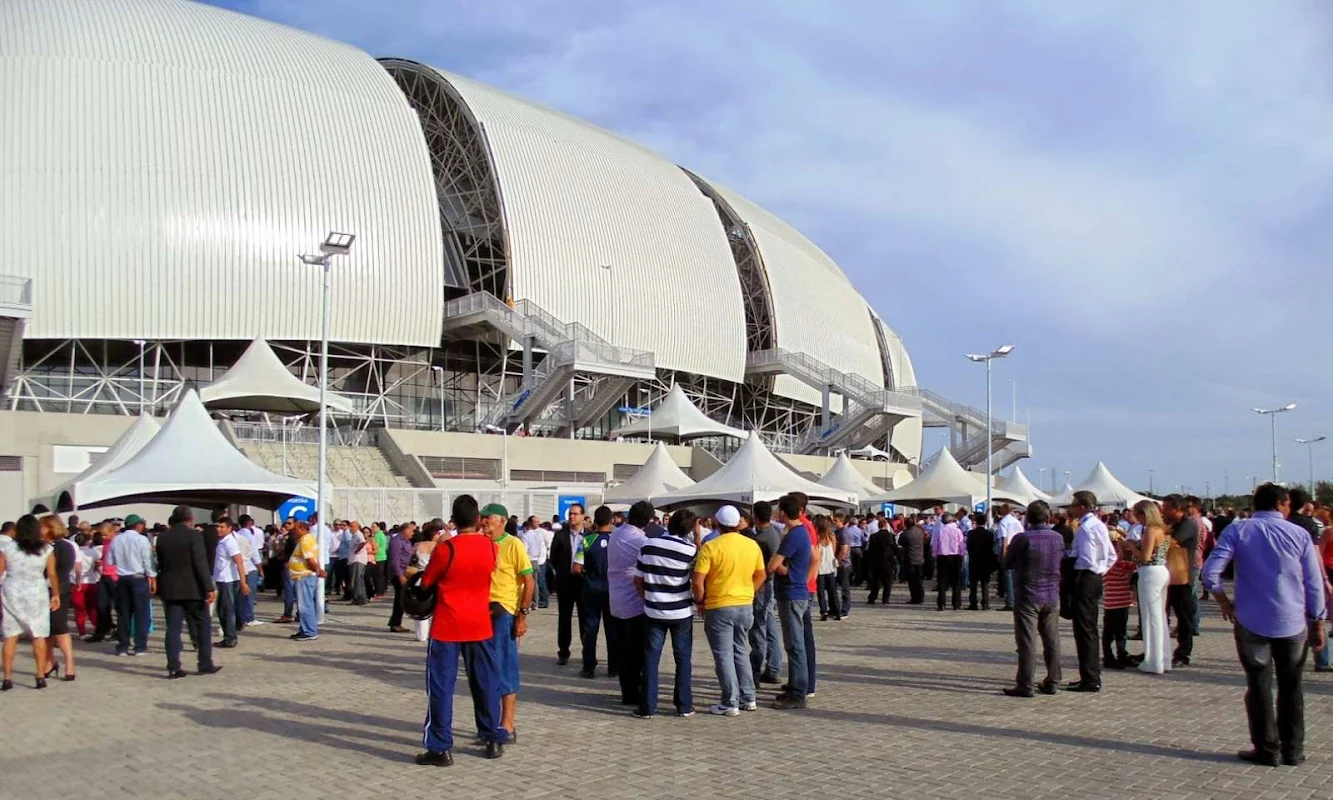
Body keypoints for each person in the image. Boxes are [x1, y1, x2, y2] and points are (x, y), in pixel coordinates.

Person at [1202, 483, 1327, 767]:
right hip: (1293, 621)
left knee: (1258, 686)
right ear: (1282, 504)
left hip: (1250, 620)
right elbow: (1314, 582)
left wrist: (1222, 599)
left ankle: (1266, 749)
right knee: (1291, 686)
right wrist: (1317, 619)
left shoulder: (1238, 530)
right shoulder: (1300, 535)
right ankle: (1293, 749)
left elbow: (1211, 571)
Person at [417, 495, 505, 766]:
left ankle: (440, 747)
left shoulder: (447, 549)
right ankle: (491, 737)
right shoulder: (490, 547)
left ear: (453, 520)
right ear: (478, 519)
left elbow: (427, 582)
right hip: (479, 622)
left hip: (448, 624)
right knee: (485, 682)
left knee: (441, 687)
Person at [692, 504, 766, 716]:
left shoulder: (711, 546)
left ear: (717, 523)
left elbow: (698, 580)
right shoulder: (752, 546)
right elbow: (761, 575)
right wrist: (748, 592)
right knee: (741, 650)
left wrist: (700, 600)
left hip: (719, 605)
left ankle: (730, 701)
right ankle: (749, 697)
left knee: (723, 654)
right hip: (744, 604)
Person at [634, 508, 699, 718]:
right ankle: (684, 704)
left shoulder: (648, 545)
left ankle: (647, 706)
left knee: (651, 658)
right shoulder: (690, 550)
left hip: (654, 610)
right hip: (680, 611)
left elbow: (638, 579)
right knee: (682, 658)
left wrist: (647, 597)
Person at [481, 503, 534, 744]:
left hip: (503, 612)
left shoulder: (513, 544)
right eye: (482, 519)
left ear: (502, 521)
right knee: (484, 670)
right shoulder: (480, 544)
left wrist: (521, 615)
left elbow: (529, 581)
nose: (484, 524)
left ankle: (508, 724)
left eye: (488, 520)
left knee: (506, 668)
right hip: (480, 613)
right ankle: (488, 723)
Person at [1002, 500, 1063, 697]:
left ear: (1028, 518)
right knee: (1052, 639)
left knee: (1027, 641)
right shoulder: (1058, 538)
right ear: (1048, 518)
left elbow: (1008, 563)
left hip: (1028, 594)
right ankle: (1053, 679)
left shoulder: (1023, 538)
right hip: (1051, 594)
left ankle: (1026, 684)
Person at [155, 506, 220, 679]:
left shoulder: (162, 538)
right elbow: (200, 562)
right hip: (193, 588)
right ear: (190, 519)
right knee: (202, 625)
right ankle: (205, 663)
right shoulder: (194, 536)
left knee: (173, 629)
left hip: (170, 588)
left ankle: (173, 666)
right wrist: (209, 587)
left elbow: (160, 563)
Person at [0, 515, 59, 690]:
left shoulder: (7, 548)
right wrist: (56, 594)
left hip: (12, 591)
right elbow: (52, 574)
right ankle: (40, 675)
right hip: (37, 592)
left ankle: (7, 677)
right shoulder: (46, 549)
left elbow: (0, 570)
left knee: (10, 635)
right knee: (38, 634)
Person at [1067, 491, 1116, 692]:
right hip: (1094, 577)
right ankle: (1090, 673)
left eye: (1073, 504)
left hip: (1085, 576)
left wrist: (1073, 560)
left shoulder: (1086, 528)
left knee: (1084, 629)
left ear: (1081, 506)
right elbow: (1111, 556)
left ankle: (1090, 677)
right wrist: (1101, 571)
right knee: (1090, 628)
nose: (1070, 508)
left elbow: (1086, 558)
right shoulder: (1099, 525)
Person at [770, 495, 813, 709]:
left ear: (784, 513)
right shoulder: (800, 532)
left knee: (795, 644)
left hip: (792, 594)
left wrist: (777, 566)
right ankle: (796, 683)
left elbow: (773, 564)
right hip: (796, 591)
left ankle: (798, 692)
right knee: (794, 643)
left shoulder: (793, 535)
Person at [607, 500, 651, 707]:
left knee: (623, 651)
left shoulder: (616, 533)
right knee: (637, 652)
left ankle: (627, 691)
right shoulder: (639, 540)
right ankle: (635, 692)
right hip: (634, 602)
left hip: (616, 600)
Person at [1125, 499, 1172, 675]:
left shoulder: (1151, 530)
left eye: (1138, 515)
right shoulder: (1162, 529)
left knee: (1151, 618)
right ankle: (1163, 658)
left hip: (1150, 572)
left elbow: (1145, 556)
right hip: (1161, 570)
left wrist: (1130, 546)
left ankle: (1154, 661)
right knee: (1159, 616)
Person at [574, 506, 616, 679]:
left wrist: (587, 574)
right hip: (612, 591)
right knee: (612, 629)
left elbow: (576, 568)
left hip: (591, 589)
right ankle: (614, 667)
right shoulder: (617, 540)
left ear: (595, 521)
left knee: (590, 628)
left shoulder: (586, 540)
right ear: (611, 520)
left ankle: (589, 666)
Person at [744, 500, 783, 685]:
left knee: (759, 629)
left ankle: (755, 670)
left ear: (755, 517)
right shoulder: (774, 532)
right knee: (769, 626)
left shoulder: (760, 539)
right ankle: (773, 666)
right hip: (770, 586)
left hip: (761, 586)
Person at [108, 514, 156, 657]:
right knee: (141, 614)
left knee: (123, 614)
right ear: (138, 525)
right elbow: (148, 561)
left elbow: (111, 561)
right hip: (138, 578)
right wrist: (152, 577)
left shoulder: (116, 540)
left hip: (122, 578)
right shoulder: (142, 540)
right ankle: (140, 646)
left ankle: (123, 646)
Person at [38, 516, 78, 682]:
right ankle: (50, 661)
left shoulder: (65, 546)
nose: (39, 530)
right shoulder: (39, 546)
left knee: (59, 626)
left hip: (59, 590)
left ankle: (69, 663)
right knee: (44, 629)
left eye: (42, 527)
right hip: (41, 591)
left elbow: (63, 571)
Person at [1161, 494, 1198, 667]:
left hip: (1181, 575)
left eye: (1167, 508)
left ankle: (1184, 652)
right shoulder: (1171, 524)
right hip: (1168, 574)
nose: (1164, 511)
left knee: (1184, 616)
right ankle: (1161, 649)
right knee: (1163, 613)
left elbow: (1171, 542)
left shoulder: (1187, 525)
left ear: (1178, 509)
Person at [550, 504, 585, 665]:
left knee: (585, 619)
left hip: (584, 583)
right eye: (570, 514)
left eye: (575, 514)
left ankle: (587, 651)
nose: (572, 517)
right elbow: (554, 558)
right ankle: (563, 652)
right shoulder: (560, 535)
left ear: (582, 516)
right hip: (565, 583)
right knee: (564, 619)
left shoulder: (589, 536)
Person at [1101, 528, 1136, 669]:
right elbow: (1136, 564)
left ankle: (1110, 655)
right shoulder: (1119, 563)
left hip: (1110, 602)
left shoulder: (1105, 562)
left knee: (1109, 631)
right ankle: (1119, 654)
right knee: (1119, 631)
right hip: (1120, 602)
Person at [211, 518, 247, 649]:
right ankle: (228, 636)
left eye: (221, 527)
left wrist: (243, 582)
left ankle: (230, 637)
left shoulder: (229, 542)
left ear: (229, 528)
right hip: (221, 579)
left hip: (228, 580)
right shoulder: (222, 541)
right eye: (217, 526)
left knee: (227, 610)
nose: (218, 529)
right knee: (222, 610)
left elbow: (239, 561)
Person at [286, 522, 325, 642]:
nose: (294, 530)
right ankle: (305, 629)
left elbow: (311, 560)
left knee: (305, 605)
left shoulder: (305, 541)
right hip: (303, 576)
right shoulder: (308, 539)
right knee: (304, 604)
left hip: (304, 576)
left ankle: (309, 631)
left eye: (296, 528)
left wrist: (317, 570)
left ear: (302, 529)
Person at [235, 514, 264, 629]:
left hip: (240, 567)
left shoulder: (236, 535)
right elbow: (254, 554)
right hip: (250, 567)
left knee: (241, 595)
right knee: (249, 594)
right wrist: (260, 568)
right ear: (250, 523)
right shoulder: (249, 536)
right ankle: (249, 617)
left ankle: (242, 617)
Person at [932, 511, 965, 611]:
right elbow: (961, 544)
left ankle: (941, 604)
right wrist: (962, 554)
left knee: (942, 581)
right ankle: (956, 603)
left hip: (943, 556)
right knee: (956, 581)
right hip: (955, 556)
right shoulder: (957, 531)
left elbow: (935, 544)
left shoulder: (940, 531)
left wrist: (934, 555)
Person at [994, 505, 1024, 611]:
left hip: (1008, 549)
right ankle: (1017, 600)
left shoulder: (1004, 522)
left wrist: (1003, 555)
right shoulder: (1017, 522)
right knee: (1016, 577)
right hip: (1018, 549)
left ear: (1006, 509)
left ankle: (1010, 602)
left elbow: (1004, 539)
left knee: (1008, 577)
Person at [387, 522, 416, 633]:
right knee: (400, 598)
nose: (413, 533)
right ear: (405, 530)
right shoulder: (397, 541)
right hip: (398, 573)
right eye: (411, 530)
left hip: (405, 571)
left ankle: (395, 621)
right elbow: (394, 560)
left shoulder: (406, 541)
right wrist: (400, 576)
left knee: (401, 597)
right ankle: (395, 623)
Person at [966, 514, 996, 610]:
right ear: (985, 522)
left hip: (974, 560)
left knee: (973, 583)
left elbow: (969, 547)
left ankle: (973, 603)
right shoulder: (989, 534)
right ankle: (985, 603)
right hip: (985, 560)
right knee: (984, 583)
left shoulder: (971, 533)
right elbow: (991, 547)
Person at [864, 519, 897, 605]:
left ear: (879, 526)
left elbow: (870, 550)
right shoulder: (891, 536)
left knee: (875, 581)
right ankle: (885, 599)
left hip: (876, 561)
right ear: (886, 525)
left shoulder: (873, 536)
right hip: (888, 561)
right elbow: (895, 548)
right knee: (887, 582)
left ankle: (872, 598)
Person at [814, 518, 840, 621]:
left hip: (820, 568)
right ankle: (836, 610)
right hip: (830, 567)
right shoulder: (831, 537)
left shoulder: (817, 539)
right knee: (832, 591)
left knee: (821, 592)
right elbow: (833, 551)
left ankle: (824, 611)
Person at [899, 516, 926, 604]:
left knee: (912, 580)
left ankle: (915, 598)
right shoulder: (920, 531)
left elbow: (900, 542)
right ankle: (921, 596)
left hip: (910, 558)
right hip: (920, 557)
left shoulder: (906, 533)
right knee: (919, 579)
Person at [347, 523, 369, 606]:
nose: (350, 528)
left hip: (358, 560)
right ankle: (360, 598)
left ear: (357, 527)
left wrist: (357, 550)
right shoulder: (354, 535)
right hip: (354, 560)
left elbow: (363, 542)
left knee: (356, 581)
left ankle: (359, 598)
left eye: (352, 526)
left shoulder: (358, 535)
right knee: (358, 580)